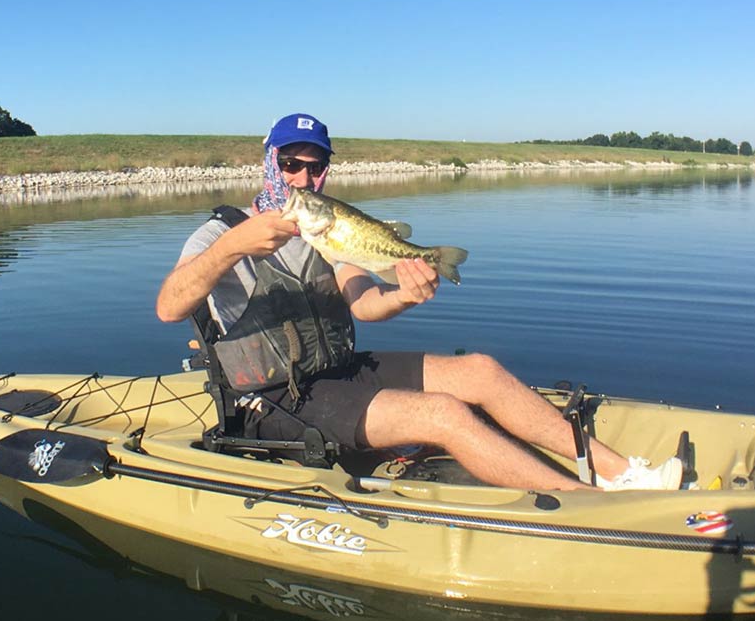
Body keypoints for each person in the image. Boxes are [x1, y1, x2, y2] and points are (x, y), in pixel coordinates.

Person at [157, 113, 681, 492]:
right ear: (271, 165)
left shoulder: (326, 231)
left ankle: (627, 474)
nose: (303, 178)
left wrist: (403, 295)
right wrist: (231, 248)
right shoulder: (217, 234)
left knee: (481, 371)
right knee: (443, 414)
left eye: (315, 170)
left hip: (340, 373)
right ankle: (586, 504)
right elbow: (169, 307)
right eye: (291, 164)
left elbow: (363, 305)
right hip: (278, 401)